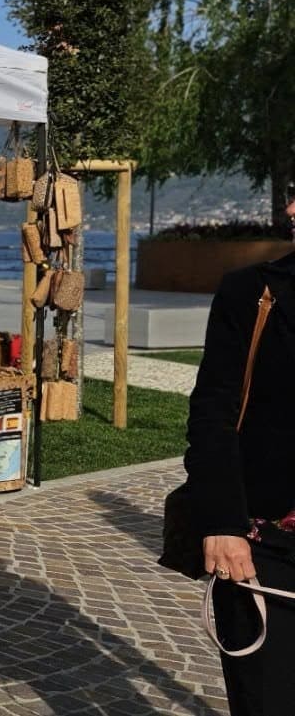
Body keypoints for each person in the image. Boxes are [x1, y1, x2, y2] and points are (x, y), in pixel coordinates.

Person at [179, 188, 295, 715]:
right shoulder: (253, 293)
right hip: (264, 549)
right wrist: (223, 524)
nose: (290, 210)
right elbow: (213, 416)